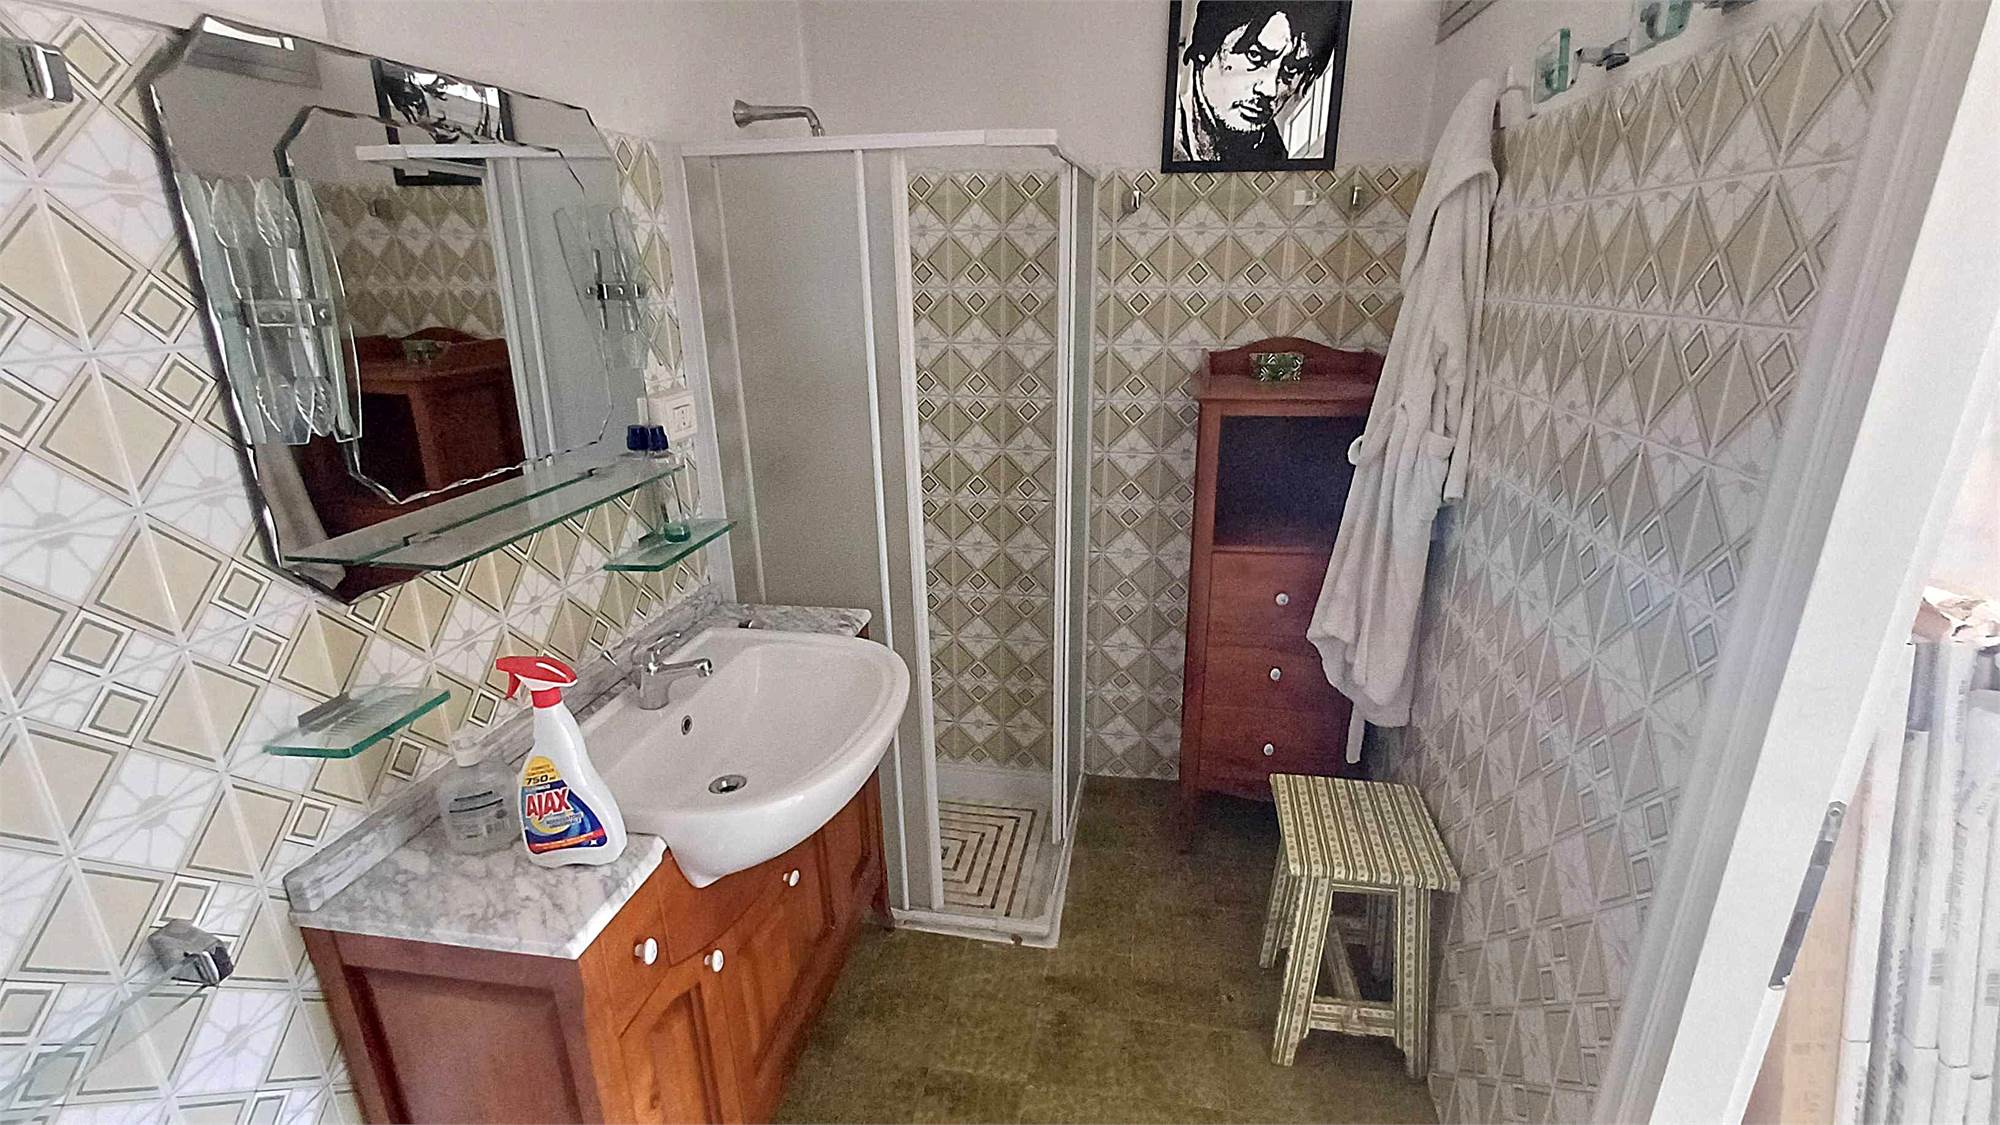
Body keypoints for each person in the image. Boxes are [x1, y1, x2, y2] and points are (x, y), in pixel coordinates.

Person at [1172, 1, 1341, 164]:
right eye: (1255, 56)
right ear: (1206, 47)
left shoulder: (1275, 157)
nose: (1270, 90)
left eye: (1291, 69)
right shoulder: (1165, 133)